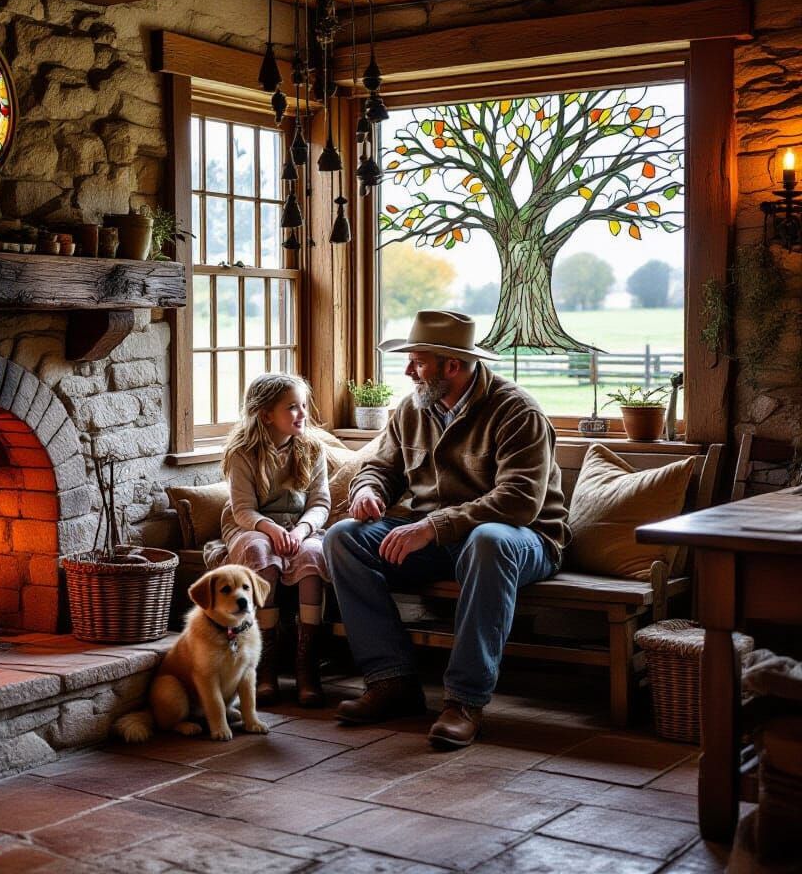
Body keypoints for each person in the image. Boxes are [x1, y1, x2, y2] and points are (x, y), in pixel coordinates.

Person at [323, 311, 570, 749]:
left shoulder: (516, 411)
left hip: (524, 540)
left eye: (417, 361)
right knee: (342, 537)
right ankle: (391, 682)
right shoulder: (411, 409)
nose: (407, 371)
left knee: (488, 540)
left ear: (451, 365)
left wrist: (433, 527)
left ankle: (465, 701)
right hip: (439, 540)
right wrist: (367, 490)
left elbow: (519, 501)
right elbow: (380, 466)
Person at [221, 373, 331, 707]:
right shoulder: (243, 452)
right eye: (292, 408)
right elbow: (243, 510)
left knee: (313, 555)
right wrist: (271, 529)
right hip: (252, 527)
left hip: (300, 527)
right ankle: (264, 666)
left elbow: (320, 504)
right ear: (267, 414)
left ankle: (305, 665)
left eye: (303, 406)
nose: (302, 414)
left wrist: (300, 532)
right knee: (259, 550)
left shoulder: (312, 448)